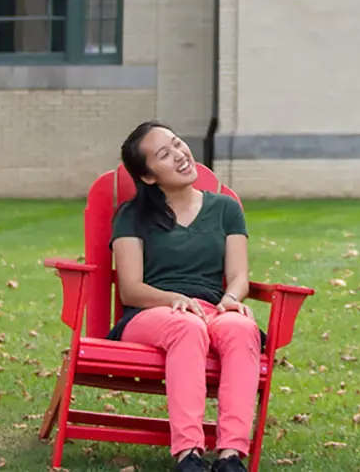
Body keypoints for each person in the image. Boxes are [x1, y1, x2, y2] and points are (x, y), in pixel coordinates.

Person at [107, 121, 263, 472]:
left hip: (212, 309)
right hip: (150, 314)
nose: (179, 155)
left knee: (241, 329)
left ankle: (230, 456)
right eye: (164, 154)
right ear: (148, 177)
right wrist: (170, 299)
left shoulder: (225, 209)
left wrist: (230, 300)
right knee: (186, 327)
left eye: (177, 144)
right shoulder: (132, 216)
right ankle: (188, 454)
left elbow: (239, 277)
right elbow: (131, 288)